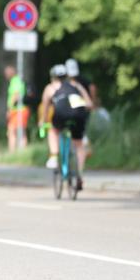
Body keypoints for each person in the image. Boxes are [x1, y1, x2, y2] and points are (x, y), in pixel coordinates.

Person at [39, 63, 94, 191]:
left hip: (60, 116)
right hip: (78, 116)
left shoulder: (50, 87)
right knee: (79, 144)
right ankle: (79, 173)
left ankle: (53, 156)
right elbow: (89, 104)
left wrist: (43, 121)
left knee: (53, 130)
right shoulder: (76, 85)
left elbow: (45, 107)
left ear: (53, 76)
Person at [4, 65, 29, 151]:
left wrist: (10, 109)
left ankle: (16, 152)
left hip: (18, 110)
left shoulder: (16, 81)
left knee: (17, 131)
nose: (5, 75)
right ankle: (16, 152)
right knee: (14, 131)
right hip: (17, 110)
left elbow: (16, 95)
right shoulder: (14, 81)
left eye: (6, 73)